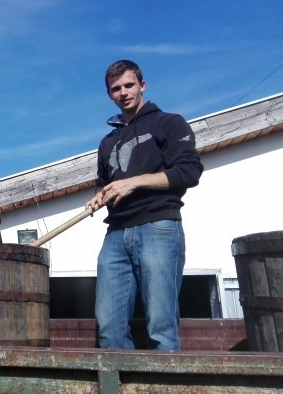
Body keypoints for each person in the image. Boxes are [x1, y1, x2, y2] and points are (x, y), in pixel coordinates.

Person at [85, 60, 203, 350]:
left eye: (129, 85)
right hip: (115, 234)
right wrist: (101, 195)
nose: (123, 92)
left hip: (159, 227)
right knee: (109, 326)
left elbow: (189, 172)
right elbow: (103, 181)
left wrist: (134, 182)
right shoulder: (107, 142)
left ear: (142, 85)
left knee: (161, 326)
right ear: (109, 94)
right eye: (116, 89)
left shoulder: (169, 122)